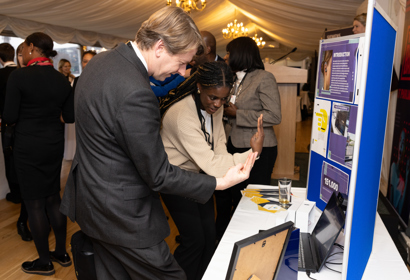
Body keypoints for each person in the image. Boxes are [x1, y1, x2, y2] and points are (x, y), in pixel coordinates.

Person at [59, 6, 257, 280]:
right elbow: (158, 174)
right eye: (181, 62)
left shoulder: (101, 62)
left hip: (91, 203)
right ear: (160, 46)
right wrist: (218, 183)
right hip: (123, 214)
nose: (184, 72)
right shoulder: (136, 92)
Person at [160, 61, 264, 280]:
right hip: (176, 179)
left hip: (199, 176)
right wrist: (251, 153)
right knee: (194, 241)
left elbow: (219, 151)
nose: (218, 104)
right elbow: (212, 164)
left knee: (209, 238)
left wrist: (252, 153)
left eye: (224, 99)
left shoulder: (213, 108)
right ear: (199, 86)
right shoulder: (181, 115)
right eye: (213, 97)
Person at [3, 32, 74, 276]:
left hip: (28, 146)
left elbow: (10, 117)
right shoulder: (61, 79)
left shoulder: (19, 76)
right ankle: (62, 253)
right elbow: (70, 116)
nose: (21, 52)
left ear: (32, 47)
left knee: (34, 204)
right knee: (53, 198)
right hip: (53, 144)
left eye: (23, 48)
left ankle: (44, 261)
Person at [217, 36, 282, 241]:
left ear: (241, 54)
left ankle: (254, 239)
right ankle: (229, 237)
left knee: (253, 199)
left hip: (259, 148)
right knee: (233, 195)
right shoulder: (234, 78)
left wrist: (239, 114)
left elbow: (274, 115)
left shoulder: (264, 77)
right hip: (233, 145)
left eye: (229, 52)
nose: (226, 57)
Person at [0, 43, 32, 242]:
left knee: (11, 161)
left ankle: (17, 195)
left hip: (16, 131)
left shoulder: (19, 78)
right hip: (30, 137)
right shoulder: (21, 76)